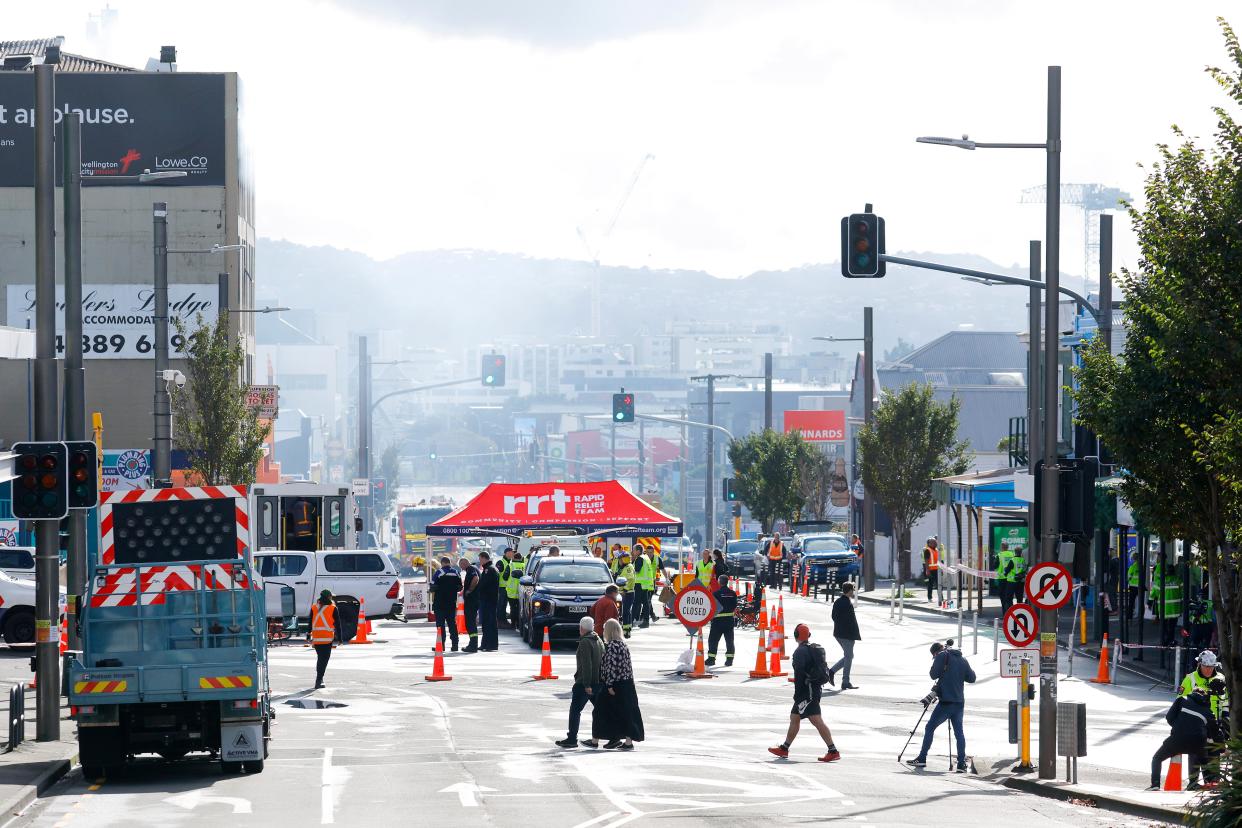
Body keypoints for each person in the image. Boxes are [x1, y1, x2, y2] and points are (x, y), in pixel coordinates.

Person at [767, 623, 841, 762]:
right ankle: (784, 748)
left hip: (808, 692)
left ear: (796, 635)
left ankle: (833, 751)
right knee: (794, 718)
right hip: (811, 689)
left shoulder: (800, 652)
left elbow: (800, 674)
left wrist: (798, 693)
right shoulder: (810, 649)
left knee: (816, 720)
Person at [906, 641, 976, 772]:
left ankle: (922, 758)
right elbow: (972, 678)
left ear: (936, 652)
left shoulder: (941, 656)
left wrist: (941, 665)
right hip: (959, 702)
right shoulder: (962, 659)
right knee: (959, 733)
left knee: (930, 727)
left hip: (946, 702)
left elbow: (933, 674)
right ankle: (961, 764)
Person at [592, 618, 644, 751]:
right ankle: (627, 741)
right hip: (627, 683)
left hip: (615, 684)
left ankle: (597, 739)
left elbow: (611, 667)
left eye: (605, 629)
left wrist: (609, 685)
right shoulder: (623, 645)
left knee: (600, 711)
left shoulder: (610, 647)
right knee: (626, 713)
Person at [1148, 687, 1214, 791]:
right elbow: (1213, 731)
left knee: (1157, 758)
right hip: (1198, 742)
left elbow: (1169, 717)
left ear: (1192, 693)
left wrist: (1179, 726)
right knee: (1204, 762)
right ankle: (1208, 785)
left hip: (1178, 739)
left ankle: (1155, 785)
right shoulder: (1208, 711)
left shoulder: (1182, 699)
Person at [556, 616, 605, 749]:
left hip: (585, 683)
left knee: (575, 710)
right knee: (601, 711)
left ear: (581, 628)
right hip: (598, 682)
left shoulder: (585, 642)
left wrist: (587, 684)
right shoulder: (598, 639)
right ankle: (612, 737)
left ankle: (572, 738)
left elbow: (586, 664)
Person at [829, 581, 861, 690]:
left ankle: (831, 672)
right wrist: (852, 634)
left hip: (838, 633)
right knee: (849, 657)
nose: (853, 592)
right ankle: (845, 681)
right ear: (850, 591)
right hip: (847, 635)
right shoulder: (847, 603)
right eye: (853, 590)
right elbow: (850, 621)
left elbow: (833, 616)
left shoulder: (838, 601)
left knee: (849, 656)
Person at [430, 556, 463, 651]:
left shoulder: (439, 572)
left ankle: (441, 645)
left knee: (440, 625)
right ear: (449, 563)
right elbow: (460, 587)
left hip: (440, 603)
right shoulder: (456, 572)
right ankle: (455, 644)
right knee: (452, 624)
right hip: (452, 602)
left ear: (442, 563)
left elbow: (432, 586)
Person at [310, 589, 341, 689]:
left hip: (316, 638)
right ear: (328, 597)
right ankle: (319, 680)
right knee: (324, 660)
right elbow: (338, 624)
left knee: (320, 659)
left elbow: (309, 621)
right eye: (331, 596)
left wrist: (307, 634)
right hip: (327, 638)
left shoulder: (314, 607)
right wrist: (340, 638)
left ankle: (319, 679)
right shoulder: (333, 608)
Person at [706, 574, 737, 667]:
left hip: (717, 622)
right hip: (729, 621)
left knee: (713, 641)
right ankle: (729, 660)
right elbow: (735, 606)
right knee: (729, 641)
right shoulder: (733, 593)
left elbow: (712, 607)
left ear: (719, 582)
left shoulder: (716, 594)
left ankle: (711, 659)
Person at [1150, 560, 1182, 647]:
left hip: (1164, 609)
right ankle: (1170, 640)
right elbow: (1182, 594)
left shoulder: (1161, 581)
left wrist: (1149, 602)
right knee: (1172, 627)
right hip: (1174, 609)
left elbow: (1154, 593)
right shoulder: (1178, 580)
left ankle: (1164, 641)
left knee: (1163, 626)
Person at [476, 551, 500, 651]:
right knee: (487, 623)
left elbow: (483, 585)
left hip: (488, 600)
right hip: (489, 600)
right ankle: (486, 644)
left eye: (480, 559)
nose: (479, 561)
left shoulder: (489, 570)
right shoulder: (490, 568)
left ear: (484, 558)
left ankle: (490, 644)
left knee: (488, 622)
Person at [458, 556, 481, 653]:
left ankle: (473, 645)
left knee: (470, 623)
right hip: (474, 600)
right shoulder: (473, 568)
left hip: (472, 601)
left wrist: (469, 590)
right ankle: (473, 644)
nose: (461, 569)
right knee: (471, 623)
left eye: (461, 566)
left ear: (464, 563)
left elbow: (475, 578)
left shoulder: (471, 569)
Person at [615, 551, 636, 638]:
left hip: (627, 593)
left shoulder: (628, 567)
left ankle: (626, 630)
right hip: (624, 593)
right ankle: (627, 630)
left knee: (625, 612)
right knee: (626, 612)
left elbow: (630, 580)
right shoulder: (624, 567)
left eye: (620, 559)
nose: (619, 561)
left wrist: (624, 590)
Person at [633, 543, 654, 629]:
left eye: (634, 550)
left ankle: (631, 620)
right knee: (645, 603)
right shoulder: (646, 558)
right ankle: (646, 621)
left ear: (638, 551)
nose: (633, 552)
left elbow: (636, 571)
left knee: (636, 603)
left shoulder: (640, 559)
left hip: (639, 584)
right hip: (645, 585)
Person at [506, 551, 526, 631]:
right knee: (520, 609)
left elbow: (504, 577)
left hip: (511, 592)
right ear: (521, 558)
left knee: (512, 608)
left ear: (514, 558)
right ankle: (519, 624)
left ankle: (513, 624)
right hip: (522, 591)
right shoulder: (525, 566)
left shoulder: (511, 565)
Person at [995, 542, 1015, 615]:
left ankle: (1005, 614)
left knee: (1003, 597)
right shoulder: (1012, 554)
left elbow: (995, 566)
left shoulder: (999, 555)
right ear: (1007, 547)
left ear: (1002, 547)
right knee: (1009, 597)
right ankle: (1011, 613)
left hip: (1002, 578)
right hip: (1011, 579)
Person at [496, 548, 514, 628]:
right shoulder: (501, 562)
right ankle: (500, 622)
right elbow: (496, 574)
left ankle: (503, 621)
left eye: (512, 553)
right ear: (505, 553)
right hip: (502, 588)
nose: (511, 554)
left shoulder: (510, 562)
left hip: (507, 588)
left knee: (504, 606)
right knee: (501, 605)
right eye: (510, 553)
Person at [921, 538, 940, 604]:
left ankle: (941, 598)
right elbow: (926, 561)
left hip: (937, 569)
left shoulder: (937, 550)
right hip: (931, 570)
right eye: (933, 542)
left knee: (939, 585)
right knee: (930, 585)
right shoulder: (927, 550)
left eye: (935, 542)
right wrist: (927, 570)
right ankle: (929, 598)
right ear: (929, 544)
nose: (935, 543)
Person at [1126, 550, 1142, 619]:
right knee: (1140, 601)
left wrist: (1129, 581)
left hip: (1133, 587)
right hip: (1140, 586)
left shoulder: (1132, 567)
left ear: (1133, 558)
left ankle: (1129, 616)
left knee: (1131, 602)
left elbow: (1128, 577)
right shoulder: (1141, 566)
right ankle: (1140, 614)